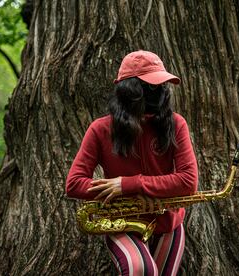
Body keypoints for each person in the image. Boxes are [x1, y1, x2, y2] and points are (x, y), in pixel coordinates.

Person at [66, 50, 198, 276]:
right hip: (123, 223)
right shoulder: (100, 129)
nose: (161, 91)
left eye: (161, 85)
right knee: (140, 270)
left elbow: (188, 181)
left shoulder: (176, 123)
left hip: (168, 223)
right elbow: (74, 183)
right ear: (130, 90)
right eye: (152, 85)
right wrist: (119, 193)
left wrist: (128, 185)